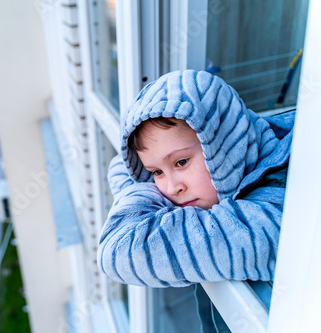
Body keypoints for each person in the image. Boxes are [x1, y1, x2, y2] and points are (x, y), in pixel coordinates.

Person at [97, 70, 295, 288]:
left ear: (223, 142)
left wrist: (141, 193)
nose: (172, 189)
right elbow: (118, 166)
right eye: (156, 172)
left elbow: (119, 252)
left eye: (181, 162)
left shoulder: (281, 205)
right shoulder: (250, 142)